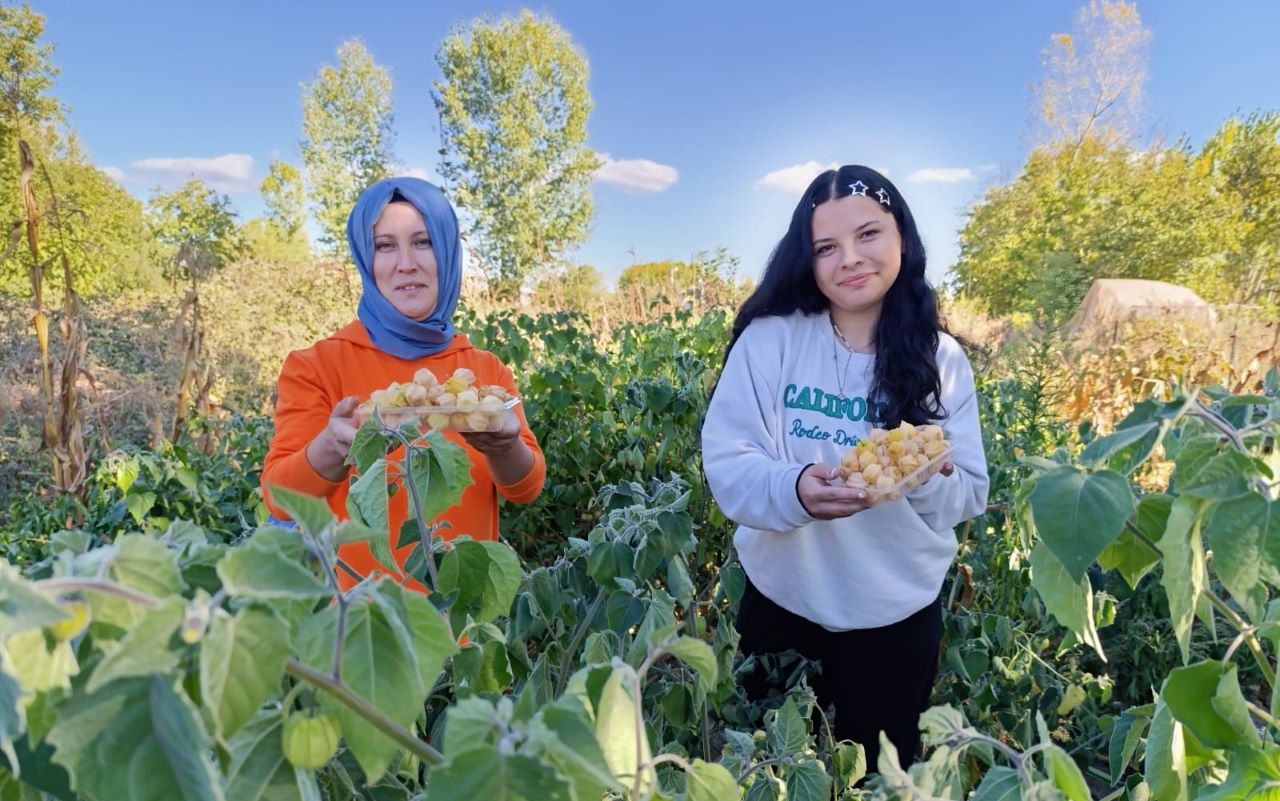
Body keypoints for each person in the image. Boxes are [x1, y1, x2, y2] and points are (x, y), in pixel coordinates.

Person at [701, 165, 988, 768]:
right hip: (781, 603)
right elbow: (727, 463)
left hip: (895, 616)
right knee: (768, 767)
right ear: (805, 259)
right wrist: (795, 490)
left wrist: (925, 480)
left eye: (868, 235)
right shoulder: (771, 341)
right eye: (826, 247)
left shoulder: (944, 360)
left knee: (875, 777)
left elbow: (968, 497)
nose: (849, 259)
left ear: (901, 238)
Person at [261, 177, 545, 590]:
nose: (406, 263)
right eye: (385, 246)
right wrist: (330, 448)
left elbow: (526, 487)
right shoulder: (317, 366)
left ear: (447, 253)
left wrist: (506, 446)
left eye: (423, 242)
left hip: (462, 628)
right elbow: (280, 498)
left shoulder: (484, 374)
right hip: (364, 629)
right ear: (365, 258)